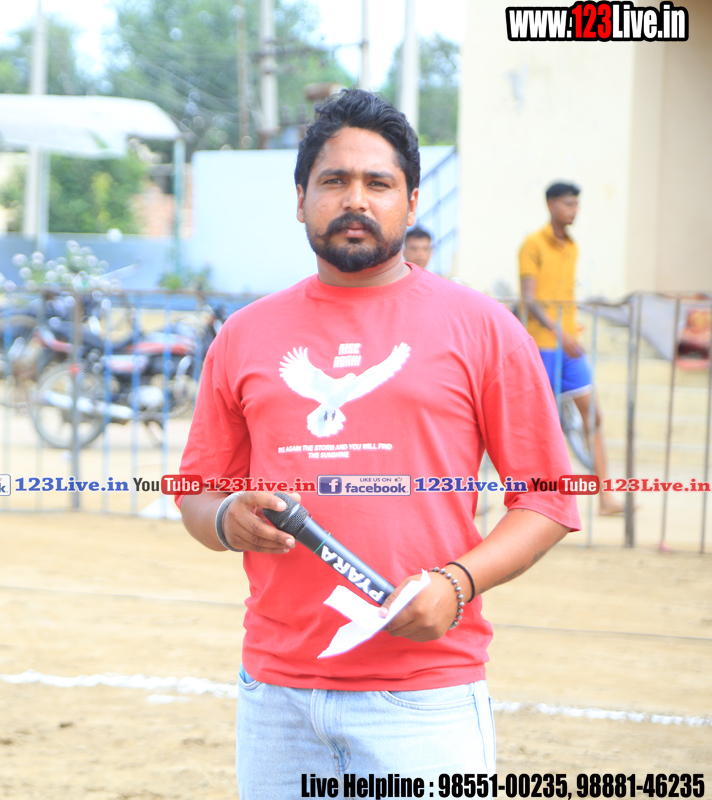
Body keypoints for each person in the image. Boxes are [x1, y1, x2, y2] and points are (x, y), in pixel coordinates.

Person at [177, 89, 580, 792]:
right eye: (334, 181)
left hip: (424, 696)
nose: (355, 200)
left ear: (412, 202)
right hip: (277, 697)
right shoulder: (244, 335)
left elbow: (547, 501)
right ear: (300, 199)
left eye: (378, 183)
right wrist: (224, 519)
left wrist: (456, 584)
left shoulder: (482, 328)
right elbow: (197, 494)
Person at [518, 182, 624, 515]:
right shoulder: (533, 244)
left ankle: (606, 498)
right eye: (568, 204)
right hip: (543, 345)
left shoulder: (573, 246)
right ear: (551, 205)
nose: (574, 210)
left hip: (569, 346)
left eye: (576, 204)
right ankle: (540, 503)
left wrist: (570, 333)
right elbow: (529, 299)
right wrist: (558, 332)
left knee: (593, 416)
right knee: (542, 428)